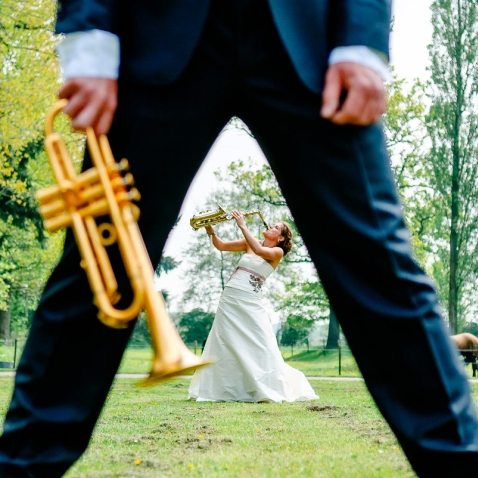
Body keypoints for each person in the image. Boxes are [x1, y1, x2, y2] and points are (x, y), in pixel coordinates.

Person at [0, 1, 477, 477]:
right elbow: (228, 248)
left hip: (311, 47)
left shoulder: (271, 248)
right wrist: (90, 35)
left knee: (379, 266)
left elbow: (250, 248)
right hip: (159, 41)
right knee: (98, 262)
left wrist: (364, 39)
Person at [189, 212, 319, 403]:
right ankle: (222, 389)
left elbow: (259, 251)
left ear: (281, 238)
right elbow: (221, 245)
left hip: (250, 300)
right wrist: (211, 230)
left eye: (275, 227)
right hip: (230, 297)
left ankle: (266, 386)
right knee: (223, 339)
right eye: (272, 224)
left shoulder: (277, 252)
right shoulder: (249, 242)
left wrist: (242, 224)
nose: (270, 227)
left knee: (260, 340)